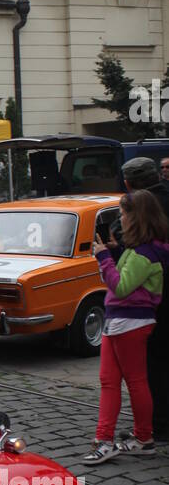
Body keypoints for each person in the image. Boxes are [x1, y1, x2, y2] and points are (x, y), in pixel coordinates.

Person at [85, 190, 169, 463]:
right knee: (111, 380)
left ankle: (139, 438)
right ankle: (114, 438)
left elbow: (121, 286)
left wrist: (103, 258)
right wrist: (115, 252)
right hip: (120, 320)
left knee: (132, 381)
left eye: (123, 214)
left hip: (129, 321)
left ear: (137, 217)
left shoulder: (146, 253)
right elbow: (128, 279)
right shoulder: (139, 250)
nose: (120, 220)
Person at [117, 157, 169, 440]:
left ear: (128, 183)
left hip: (150, 295)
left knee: (154, 363)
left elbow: (128, 245)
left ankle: (158, 425)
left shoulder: (139, 206)